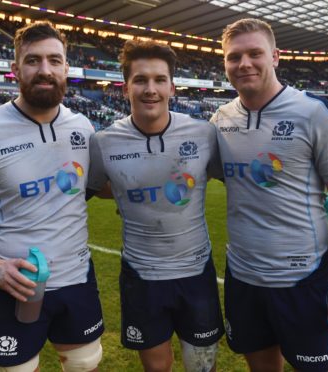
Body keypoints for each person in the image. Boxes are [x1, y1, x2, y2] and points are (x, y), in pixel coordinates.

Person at [0, 21, 104, 372]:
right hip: (15, 284)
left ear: (66, 68)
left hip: (76, 277)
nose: (45, 70)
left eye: (55, 61)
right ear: (15, 70)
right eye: (33, 61)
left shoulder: (83, 128)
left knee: (85, 363)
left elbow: (85, 189)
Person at [211, 19, 328, 371]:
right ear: (225, 63)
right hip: (244, 279)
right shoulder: (220, 120)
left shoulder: (314, 113)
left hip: (304, 280)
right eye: (234, 57)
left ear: (276, 56)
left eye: (255, 54)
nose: (244, 64)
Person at [87, 40, 224, 372]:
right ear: (125, 88)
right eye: (141, 80)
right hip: (141, 276)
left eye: (160, 80)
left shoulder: (204, 134)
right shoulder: (103, 143)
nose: (151, 89)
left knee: (201, 366)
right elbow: (86, 192)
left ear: (172, 87)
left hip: (196, 272)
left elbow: (242, 181)